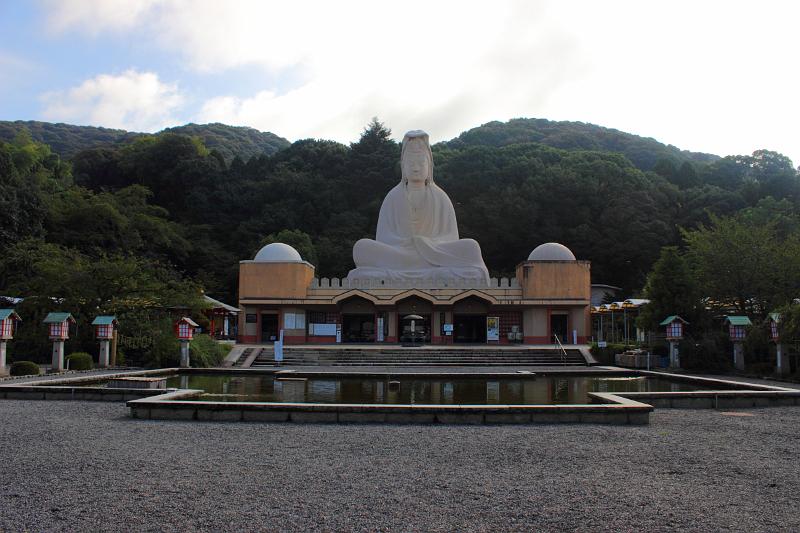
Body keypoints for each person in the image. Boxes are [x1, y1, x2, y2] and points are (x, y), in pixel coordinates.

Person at [348, 130, 490, 282]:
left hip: (434, 254)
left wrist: (426, 243)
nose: (416, 168)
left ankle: (408, 271)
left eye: (421, 163)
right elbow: (383, 237)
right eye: (411, 163)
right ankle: (433, 272)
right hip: (400, 254)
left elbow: (451, 237)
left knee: (471, 247)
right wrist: (409, 243)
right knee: (361, 247)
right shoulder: (393, 197)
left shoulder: (440, 197)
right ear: (403, 167)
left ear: (429, 166)